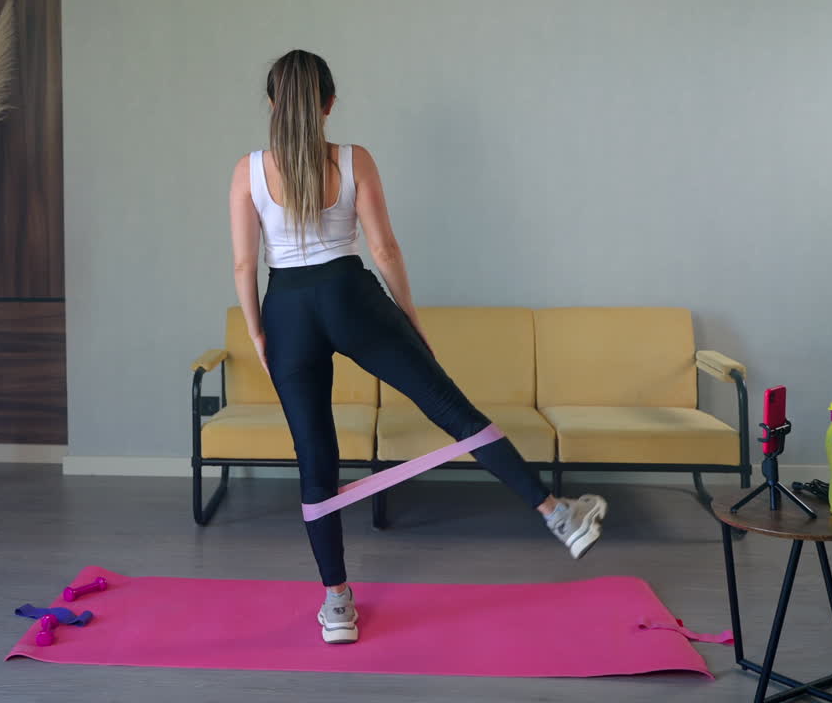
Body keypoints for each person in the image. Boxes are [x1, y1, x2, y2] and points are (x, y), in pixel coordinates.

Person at [227, 49, 607, 644]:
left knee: (314, 458)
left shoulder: (248, 170)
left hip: (286, 309)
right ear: (329, 104)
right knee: (451, 409)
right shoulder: (353, 159)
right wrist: (409, 317)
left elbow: (245, 262)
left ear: (273, 104)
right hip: (352, 296)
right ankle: (557, 515)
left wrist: (258, 330)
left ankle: (336, 606)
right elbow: (385, 251)